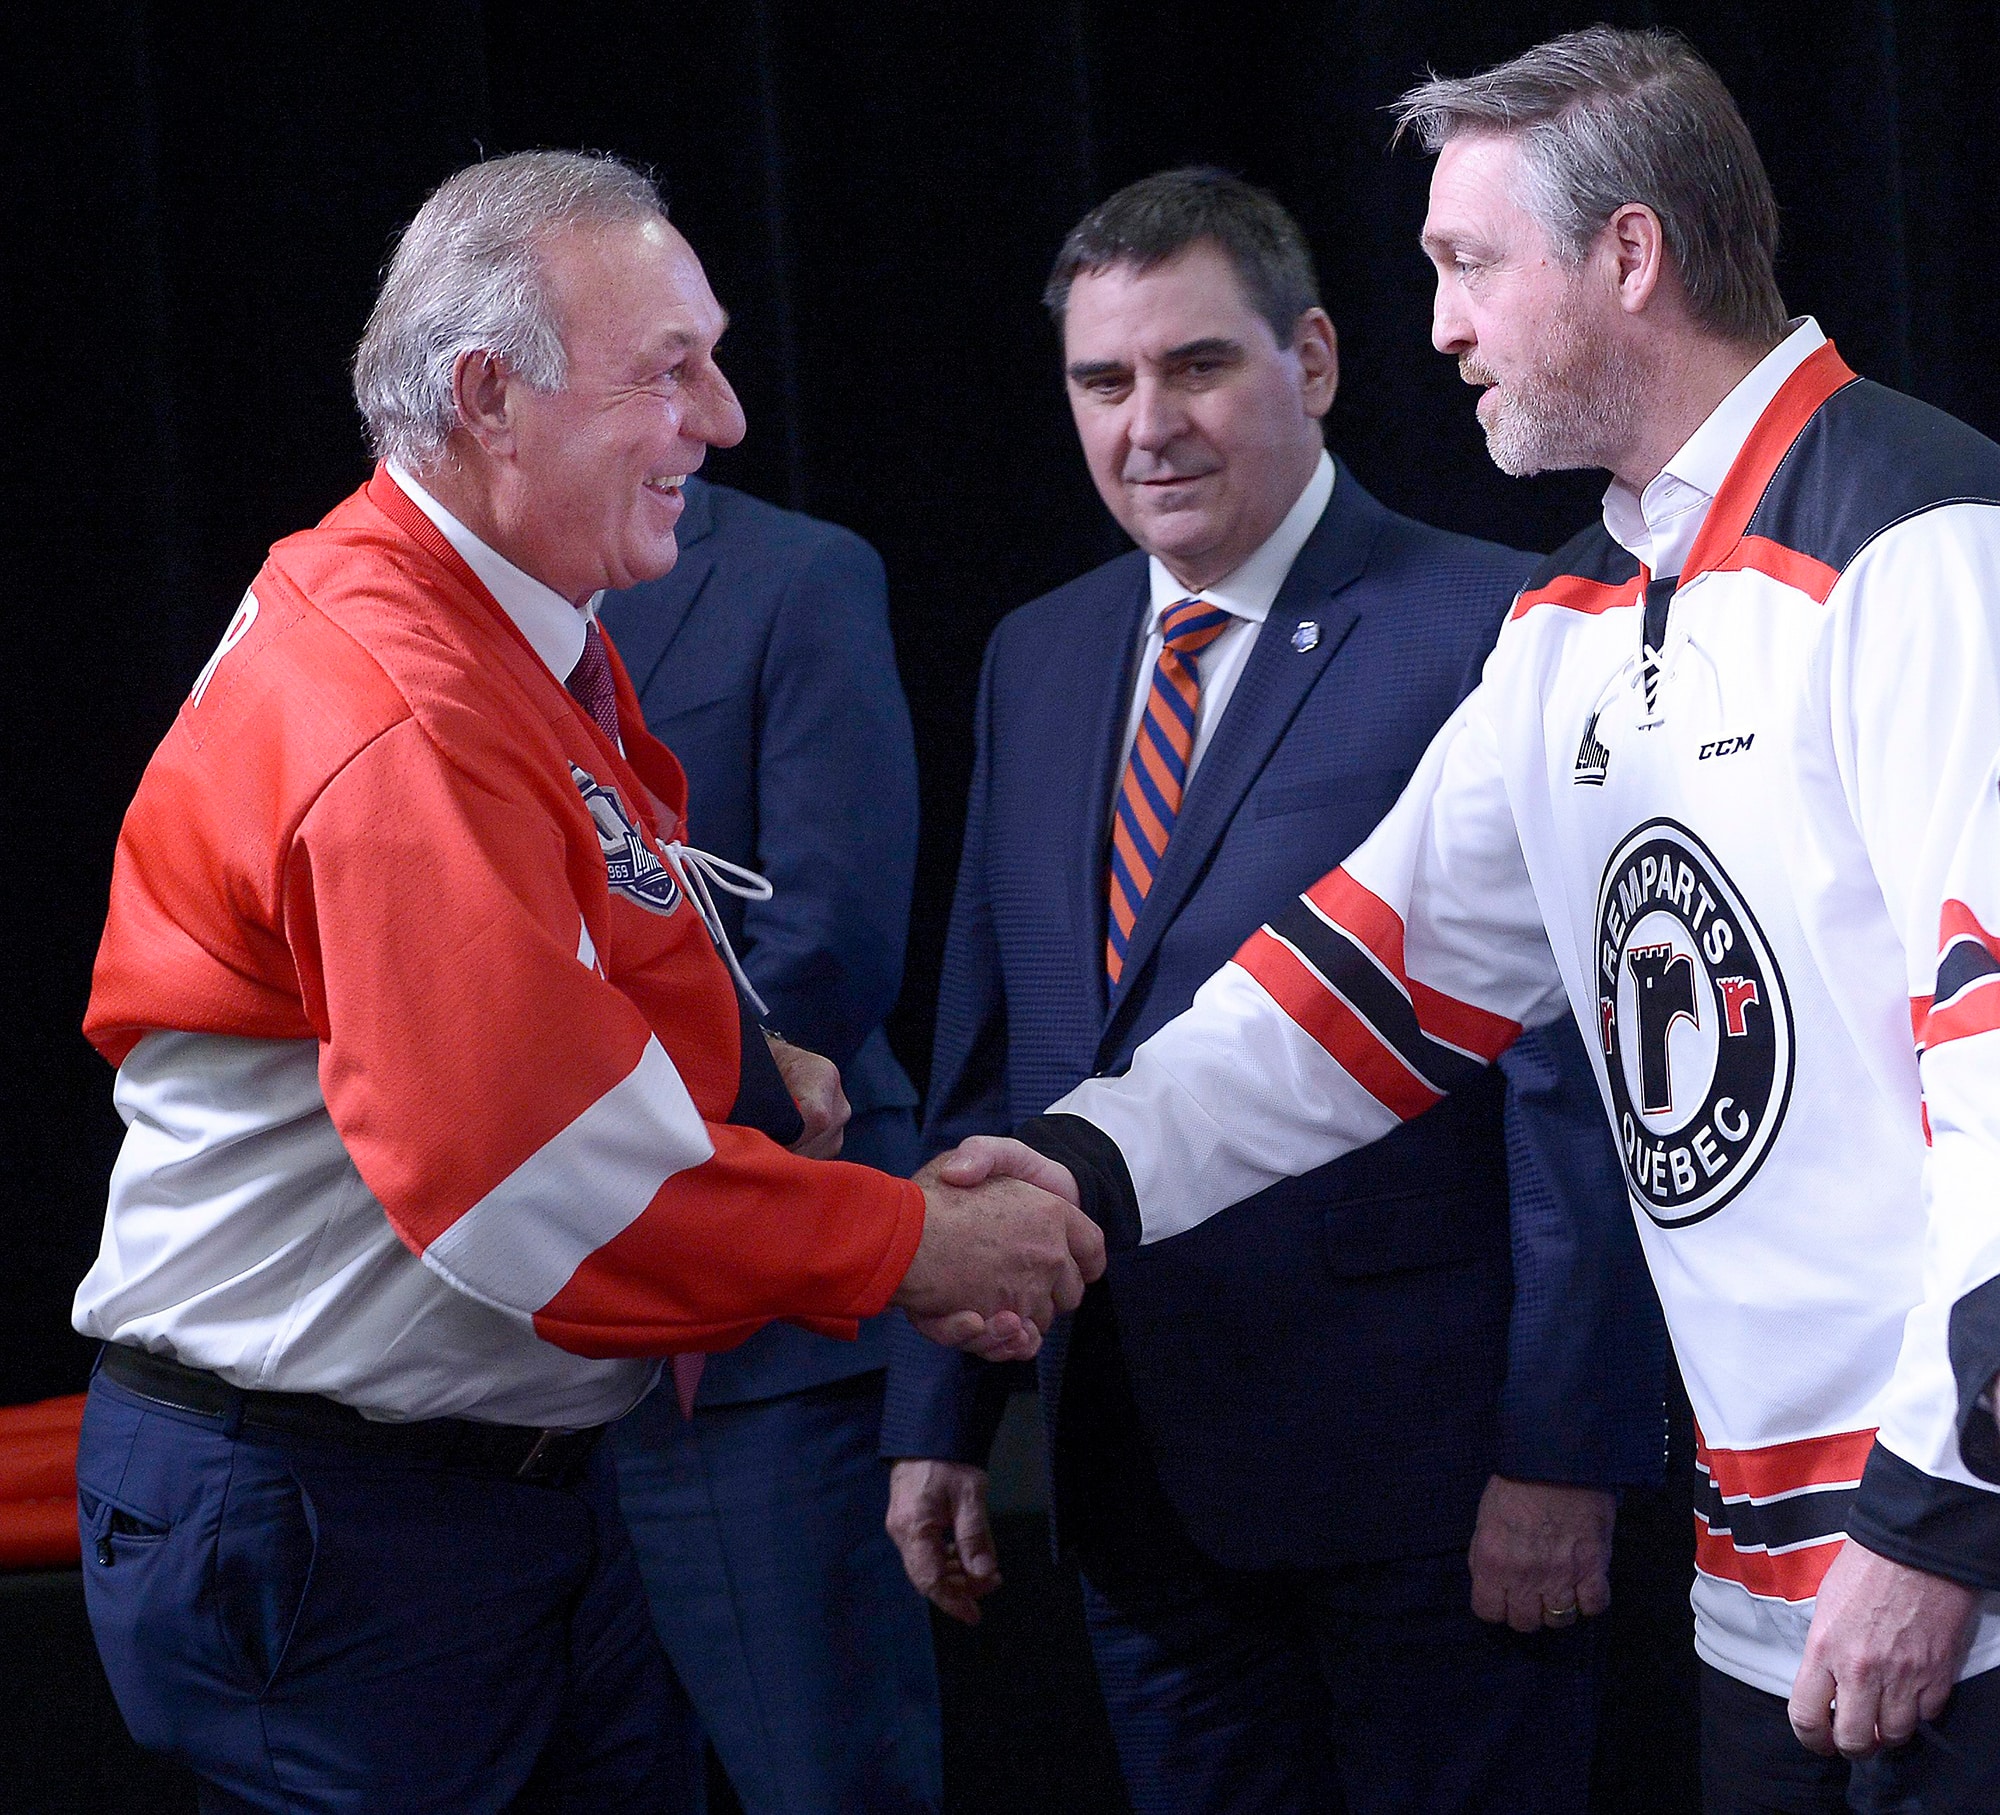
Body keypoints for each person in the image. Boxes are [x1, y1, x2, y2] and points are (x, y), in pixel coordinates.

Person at [946, 30, 2000, 1815]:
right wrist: (1077, 1170)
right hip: (1765, 1593)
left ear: (1631, 257)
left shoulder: (1917, 545)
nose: (1438, 325)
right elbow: (1349, 993)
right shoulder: (1576, 615)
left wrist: (1938, 1520)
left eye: (1466, 264)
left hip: (1946, 1580)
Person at [70, 149, 1097, 1814]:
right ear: (488, 399)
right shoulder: (396, 702)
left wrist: (757, 1070)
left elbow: (576, 953)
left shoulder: (495, 631)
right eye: (669, 369)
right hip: (338, 1514)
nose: (730, 418)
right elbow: (541, 1184)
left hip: (478, 1491)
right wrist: (910, 1243)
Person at [881, 167, 1665, 1813]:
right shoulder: (1038, 649)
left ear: (1310, 360)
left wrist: (1562, 1451)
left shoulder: (1497, 624)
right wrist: (941, 1407)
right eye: (1105, 383)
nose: (1146, 424)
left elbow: (1577, 1098)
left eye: (1198, 366)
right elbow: (994, 1046)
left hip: (1439, 1492)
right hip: (1135, 1480)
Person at [599, 481, 941, 1811]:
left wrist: (571, 1136)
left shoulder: (797, 575)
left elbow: (829, 943)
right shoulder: (443, 614)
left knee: (828, 1783)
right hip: (512, 1375)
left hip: (760, 1344)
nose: (707, 404)